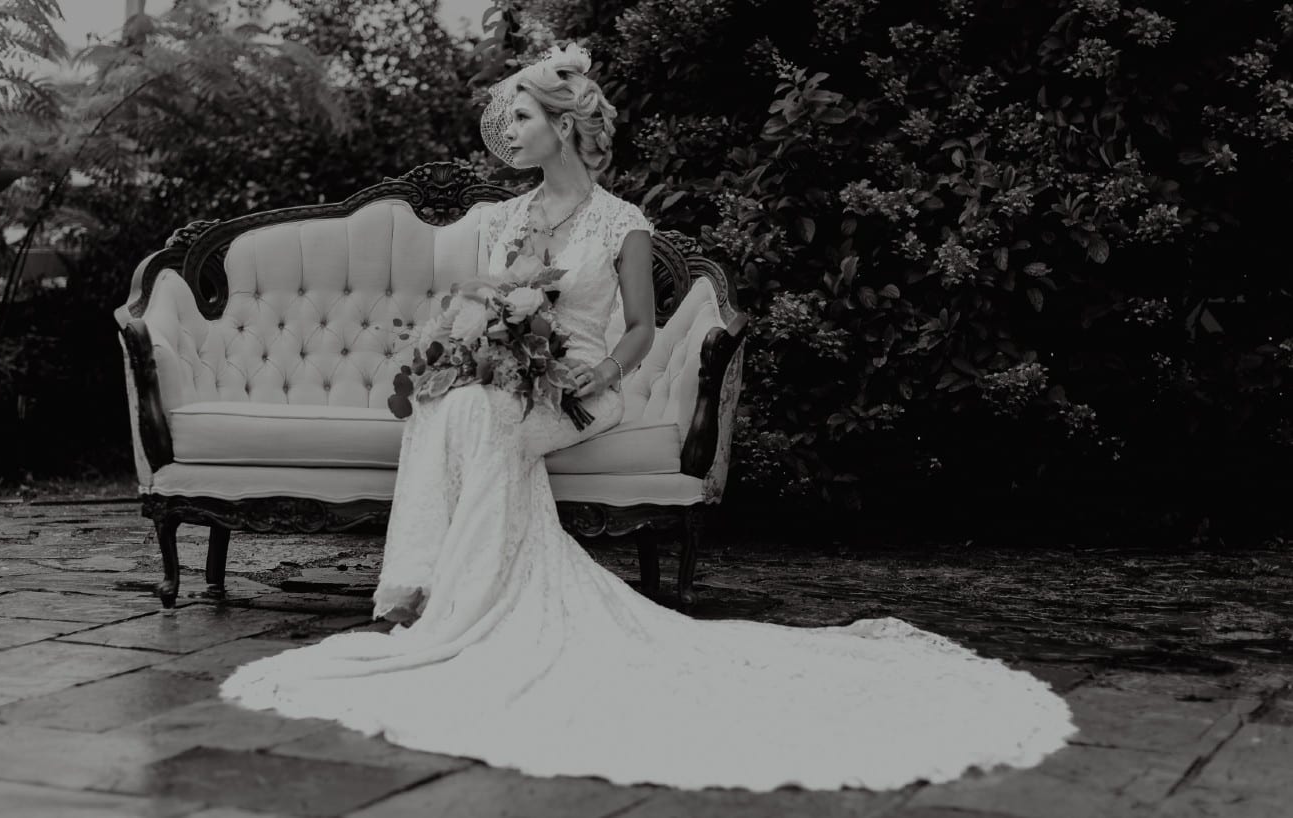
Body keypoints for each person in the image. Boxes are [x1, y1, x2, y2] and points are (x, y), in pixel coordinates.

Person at [220, 43, 1076, 792]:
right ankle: (421, 592)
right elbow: (482, 296)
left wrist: (599, 370)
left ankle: (454, 599)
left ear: (563, 125)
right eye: (506, 119)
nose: (507, 132)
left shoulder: (622, 224)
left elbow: (639, 326)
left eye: (522, 117)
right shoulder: (506, 218)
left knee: (487, 409)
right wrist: (470, 331)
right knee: (454, 402)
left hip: (586, 385)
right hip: (512, 371)